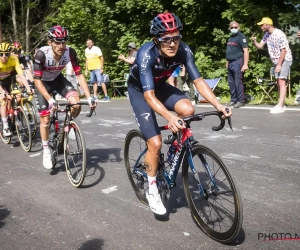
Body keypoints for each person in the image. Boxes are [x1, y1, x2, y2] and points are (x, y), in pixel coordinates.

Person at [127, 12, 231, 215]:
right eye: (166, 39)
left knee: (188, 110)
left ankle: (175, 145)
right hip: (141, 92)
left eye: (176, 37)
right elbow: (149, 96)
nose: (172, 43)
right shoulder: (146, 54)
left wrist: (218, 105)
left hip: (160, 87)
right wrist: (169, 117)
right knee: (155, 143)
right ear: (156, 40)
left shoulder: (184, 50)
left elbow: (199, 82)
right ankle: (152, 188)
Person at [33, 25, 95, 169]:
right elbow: (36, 80)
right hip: (42, 84)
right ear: (50, 42)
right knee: (46, 119)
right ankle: (46, 149)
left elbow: (79, 74)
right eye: (57, 42)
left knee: (76, 103)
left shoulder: (70, 52)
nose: (61, 46)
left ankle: (69, 125)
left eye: (64, 42)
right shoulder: (41, 54)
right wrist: (49, 99)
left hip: (58, 80)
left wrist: (89, 96)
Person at [252, 17, 292, 114]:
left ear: (268, 25)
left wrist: (279, 65)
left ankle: (280, 106)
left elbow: (284, 50)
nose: (261, 27)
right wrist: (254, 42)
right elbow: (260, 46)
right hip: (276, 61)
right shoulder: (267, 34)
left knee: (282, 81)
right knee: (278, 82)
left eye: (262, 25)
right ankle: (281, 104)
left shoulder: (279, 34)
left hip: (284, 59)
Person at [0, 42, 33, 136]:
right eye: (1, 54)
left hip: (8, 80)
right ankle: (5, 126)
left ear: (10, 53)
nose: (4, 56)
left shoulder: (14, 59)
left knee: (15, 96)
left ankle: (11, 114)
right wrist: (2, 92)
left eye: (6, 54)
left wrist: (28, 87)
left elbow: (21, 75)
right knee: (3, 100)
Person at [225, 21, 249, 108]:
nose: (233, 29)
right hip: (230, 62)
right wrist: (227, 61)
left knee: (238, 82)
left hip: (238, 61)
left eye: (235, 27)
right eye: (232, 28)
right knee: (231, 82)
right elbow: (230, 50)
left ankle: (240, 100)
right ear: (229, 28)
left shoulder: (241, 37)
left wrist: (245, 64)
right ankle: (233, 99)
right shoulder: (231, 38)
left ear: (238, 28)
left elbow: (246, 50)